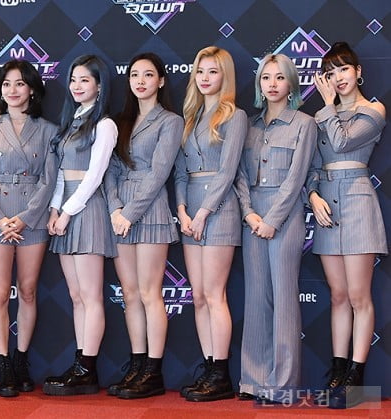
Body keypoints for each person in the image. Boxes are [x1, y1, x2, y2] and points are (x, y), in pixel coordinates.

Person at [0, 60, 58, 397]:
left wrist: (24, 218)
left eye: (19, 83)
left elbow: (49, 180)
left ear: (32, 89)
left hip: (31, 217)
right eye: (6, 84)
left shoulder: (48, 130)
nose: (12, 90)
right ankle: (3, 363)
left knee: (29, 290)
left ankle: (21, 359)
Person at [308, 42, 386, 409]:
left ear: (358, 72)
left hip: (357, 203)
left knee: (358, 296)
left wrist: (326, 106)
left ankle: (357, 377)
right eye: (330, 72)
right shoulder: (323, 116)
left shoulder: (374, 110)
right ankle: (337, 372)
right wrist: (312, 196)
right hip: (327, 206)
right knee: (338, 295)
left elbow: (341, 143)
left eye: (343, 69)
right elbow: (313, 164)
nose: (337, 78)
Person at [236, 53, 316, 404]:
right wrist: (249, 214)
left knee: (283, 298)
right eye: (266, 77)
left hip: (285, 216)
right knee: (256, 298)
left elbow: (297, 178)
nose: (272, 84)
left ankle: (282, 385)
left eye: (279, 77)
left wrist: (272, 220)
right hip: (252, 217)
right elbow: (238, 175)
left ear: (291, 84)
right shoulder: (249, 125)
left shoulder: (304, 124)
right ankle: (253, 381)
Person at [103, 52, 182, 399]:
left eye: (148, 75)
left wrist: (129, 213)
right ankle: (136, 365)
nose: (140, 81)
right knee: (130, 294)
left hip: (150, 211)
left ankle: (153, 371)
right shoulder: (120, 121)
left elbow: (160, 172)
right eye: (135, 74)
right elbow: (110, 170)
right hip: (120, 212)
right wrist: (115, 209)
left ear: (160, 81)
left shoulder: (170, 121)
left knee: (150, 293)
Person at [173, 46, 246, 402]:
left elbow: (228, 171)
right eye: (200, 71)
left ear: (224, 76)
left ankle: (221, 374)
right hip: (191, 213)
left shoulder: (235, 116)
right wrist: (183, 211)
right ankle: (208, 367)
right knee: (199, 296)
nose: (204, 78)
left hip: (219, 211)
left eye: (213, 71)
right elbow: (180, 172)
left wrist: (203, 213)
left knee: (215, 295)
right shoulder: (189, 117)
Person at [42, 55, 118, 396]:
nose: (77, 86)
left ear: (99, 86)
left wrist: (68, 212)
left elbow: (94, 176)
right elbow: (61, 173)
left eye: (85, 80)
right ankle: (79, 364)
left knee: (90, 295)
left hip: (87, 211)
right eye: (73, 79)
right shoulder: (71, 121)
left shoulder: (105, 125)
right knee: (76, 296)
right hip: (65, 212)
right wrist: (54, 209)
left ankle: (87, 367)